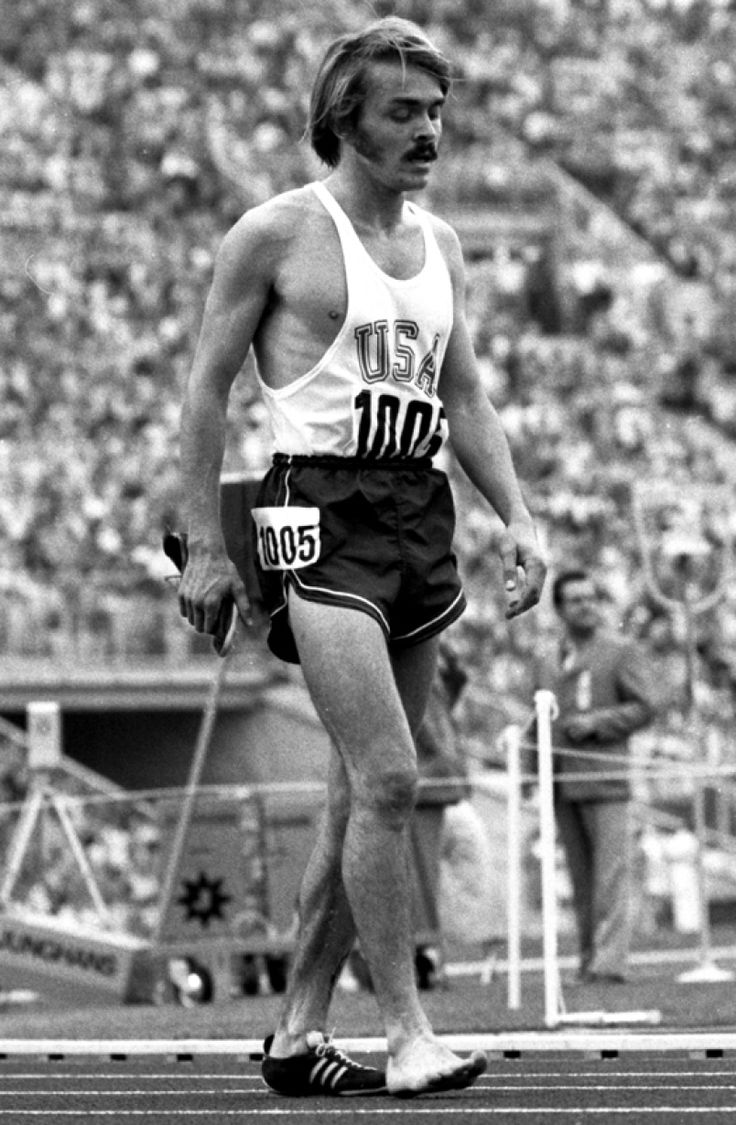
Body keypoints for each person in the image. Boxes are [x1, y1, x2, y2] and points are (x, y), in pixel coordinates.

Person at [177, 17, 546, 1098]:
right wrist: (204, 548)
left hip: (415, 512)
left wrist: (520, 518)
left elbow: (463, 395)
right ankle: (405, 1032)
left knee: (355, 792)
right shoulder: (277, 233)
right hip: (317, 508)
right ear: (346, 120)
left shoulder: (442, 245)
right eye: (403, 113)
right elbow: (204, 393)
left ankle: (295, 1032)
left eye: (435, 111)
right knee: (391, 775)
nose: (428, 132)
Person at [534, 568, 656, 983]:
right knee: (581, 882)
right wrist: (537, 772)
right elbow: (540, 720)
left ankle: (609, 964)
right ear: (560, 609)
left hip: (606, 779)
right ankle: (588, 961)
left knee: (609, 878)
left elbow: (645, 706)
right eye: (576, 600)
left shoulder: (619, 650)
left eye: (591, 598)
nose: (586, 606)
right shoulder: (548, 657)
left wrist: (598, 723)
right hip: (562, 782)